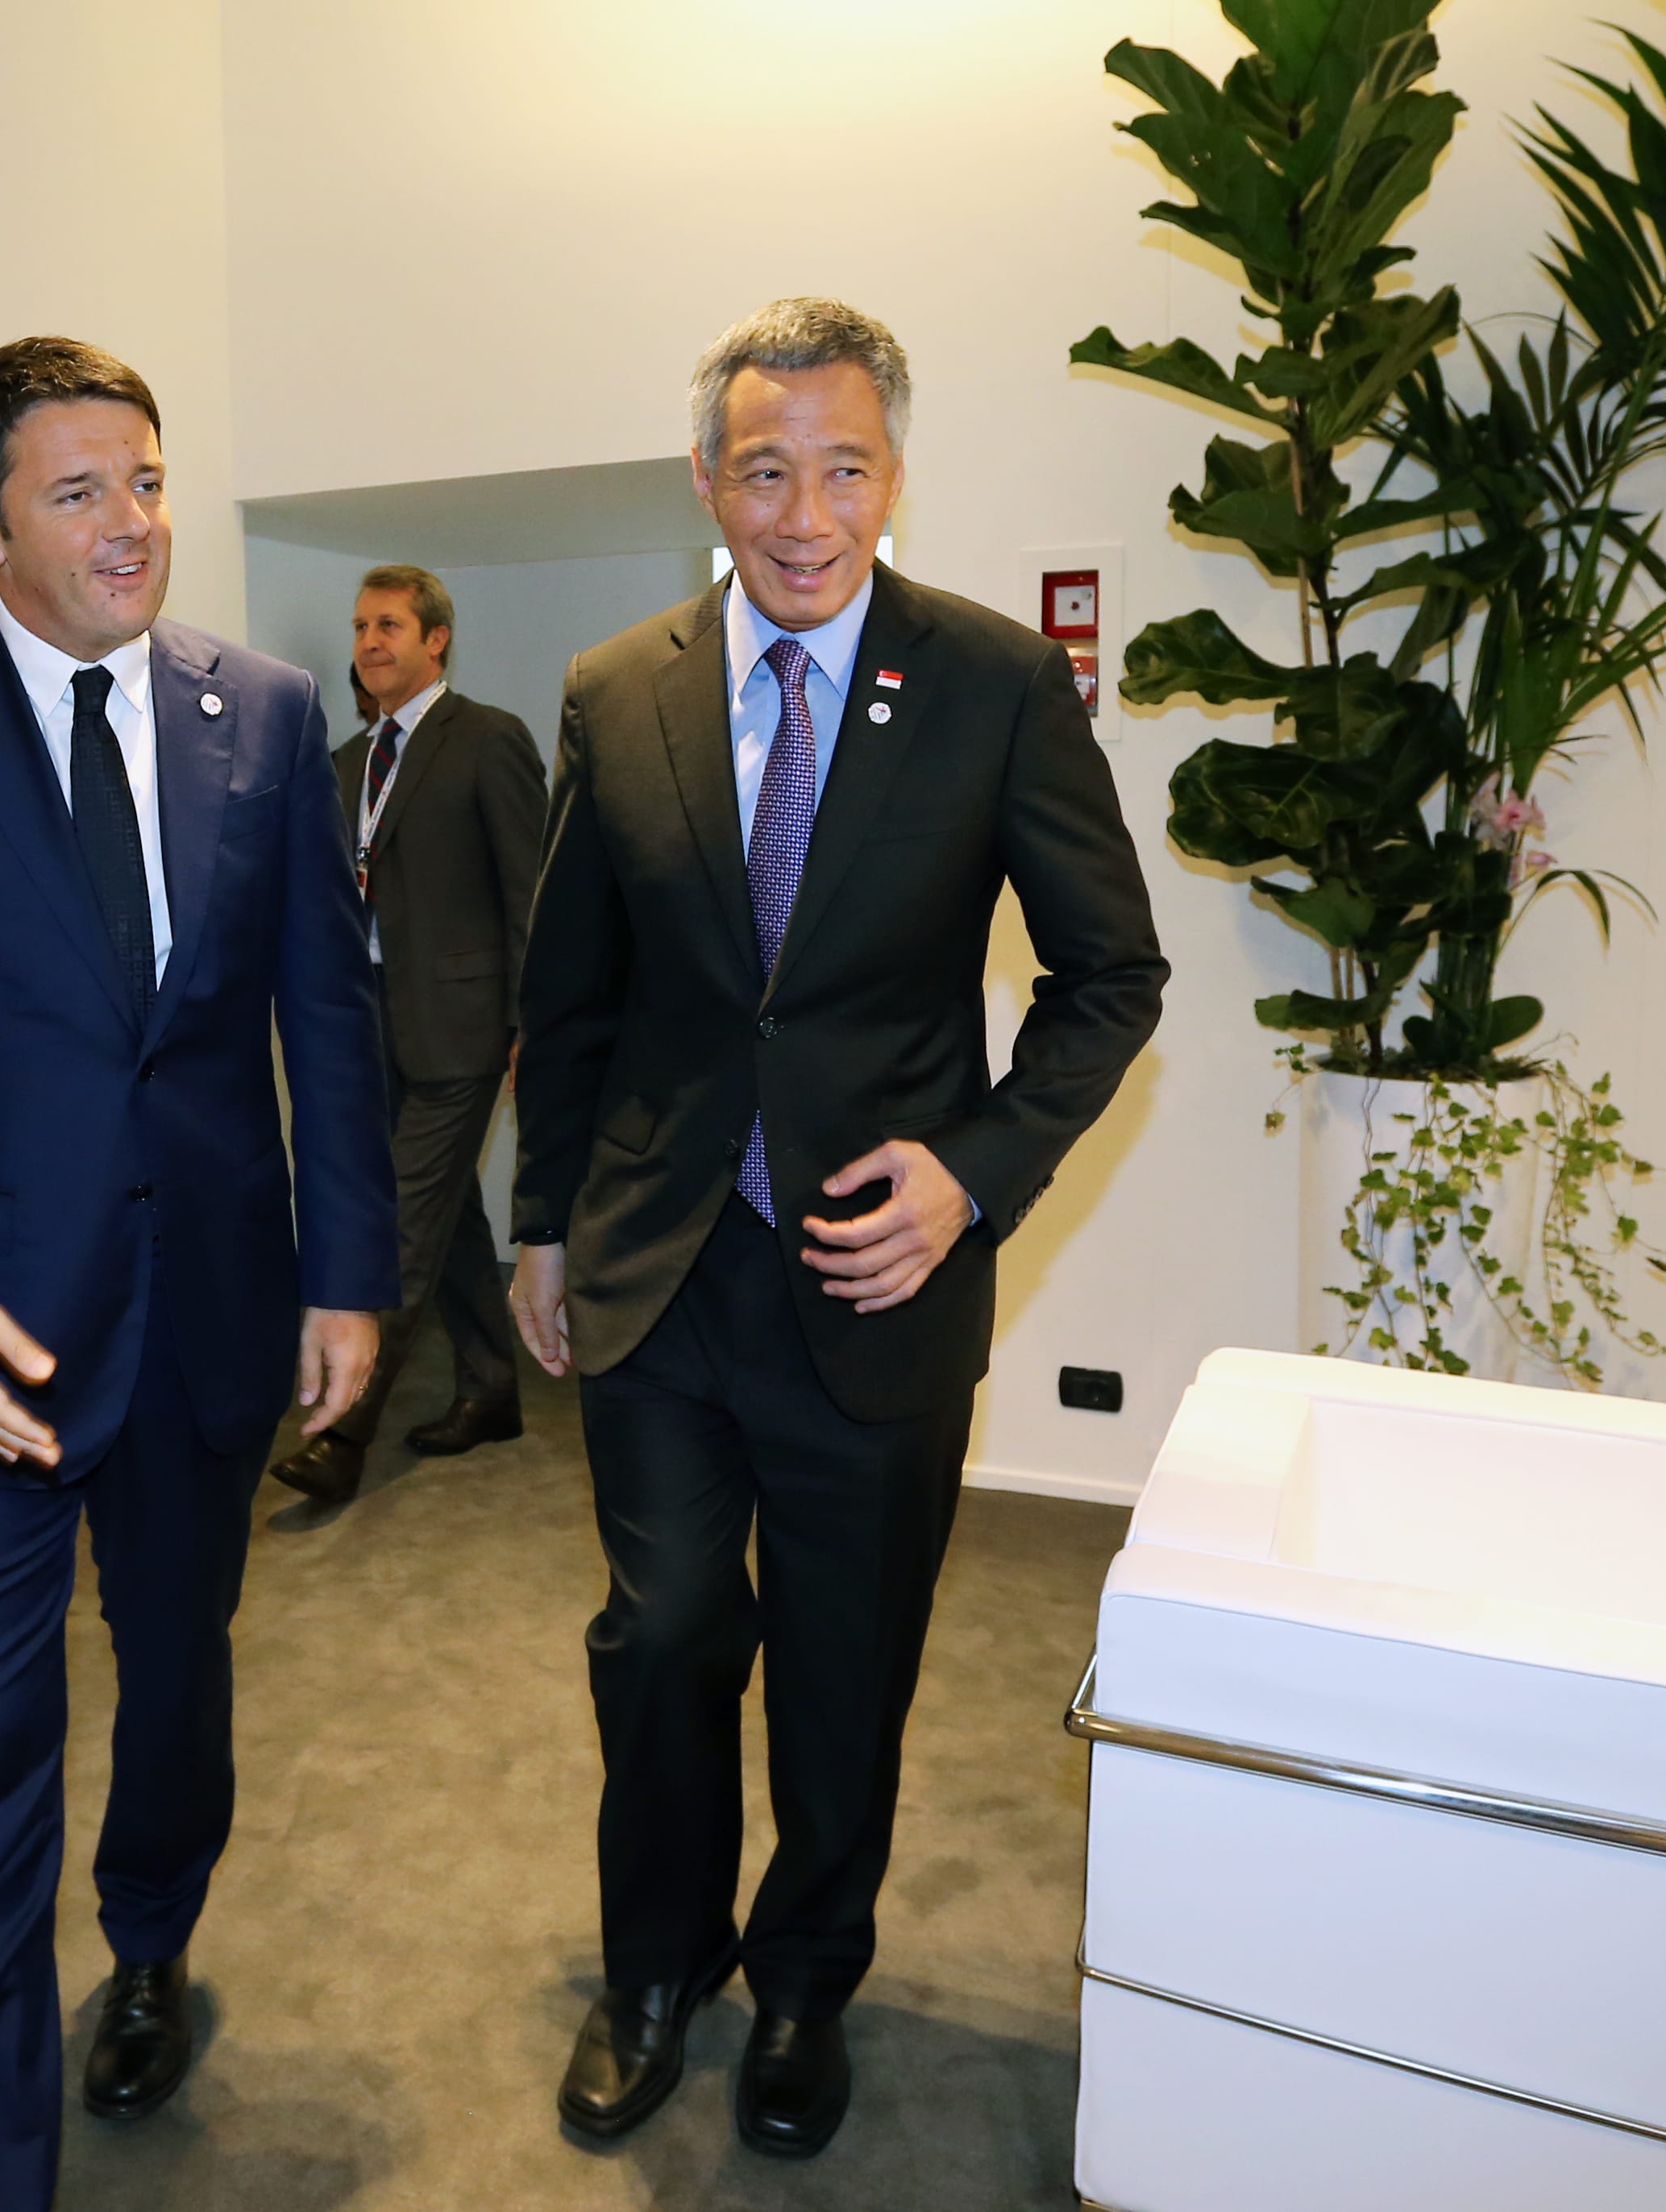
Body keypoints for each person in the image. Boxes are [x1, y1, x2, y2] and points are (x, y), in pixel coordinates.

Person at [512, 299, 1166, 2157]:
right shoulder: (613, 690)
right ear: (704, 478)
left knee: (843, 1654)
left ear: (893, 476)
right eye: (765, 470)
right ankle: (654, 1970)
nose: (804, 514)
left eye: (844, 469)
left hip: (880, 1275)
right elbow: (570, 993)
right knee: (659, 1634)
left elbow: (1111, 976)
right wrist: (541, 1222)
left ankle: (805, 1977)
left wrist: (973, 1170)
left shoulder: (991, 684)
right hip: (660, 1263)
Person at [0, 336, 397, 2212]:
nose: (130, 524)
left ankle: (150, 1941)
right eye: (76, 493)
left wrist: (347, 1275)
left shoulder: (263, 713)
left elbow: (323, 1021)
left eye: (145, 481)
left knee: (178, 1683)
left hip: (202, 1321)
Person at [268, 565, 546, 1503]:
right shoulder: (345, 763)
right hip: (368, 1020)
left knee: (399, 1218)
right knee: (447, 1213)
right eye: (358, 628)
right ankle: (490, 1388)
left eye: (388, 625)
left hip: (462, 1026)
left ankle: (344, 1433)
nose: (368, 643)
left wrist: (530, 1022)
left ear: (435, 640)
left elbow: (530, 894)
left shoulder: (487, 740)